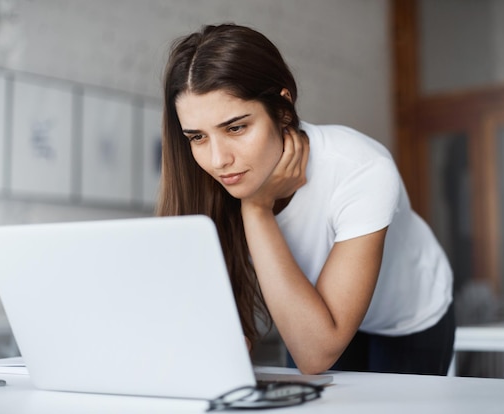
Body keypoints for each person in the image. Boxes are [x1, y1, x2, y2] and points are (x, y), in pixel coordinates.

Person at [157, 23, 455, 376]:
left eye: (236, 128)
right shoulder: (206, 182)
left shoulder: (361, 169)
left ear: (283, 109)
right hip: (312, 316)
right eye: (197, 137)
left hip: (406, 317)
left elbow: (316, 353)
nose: (219, 159)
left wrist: (255, 208)